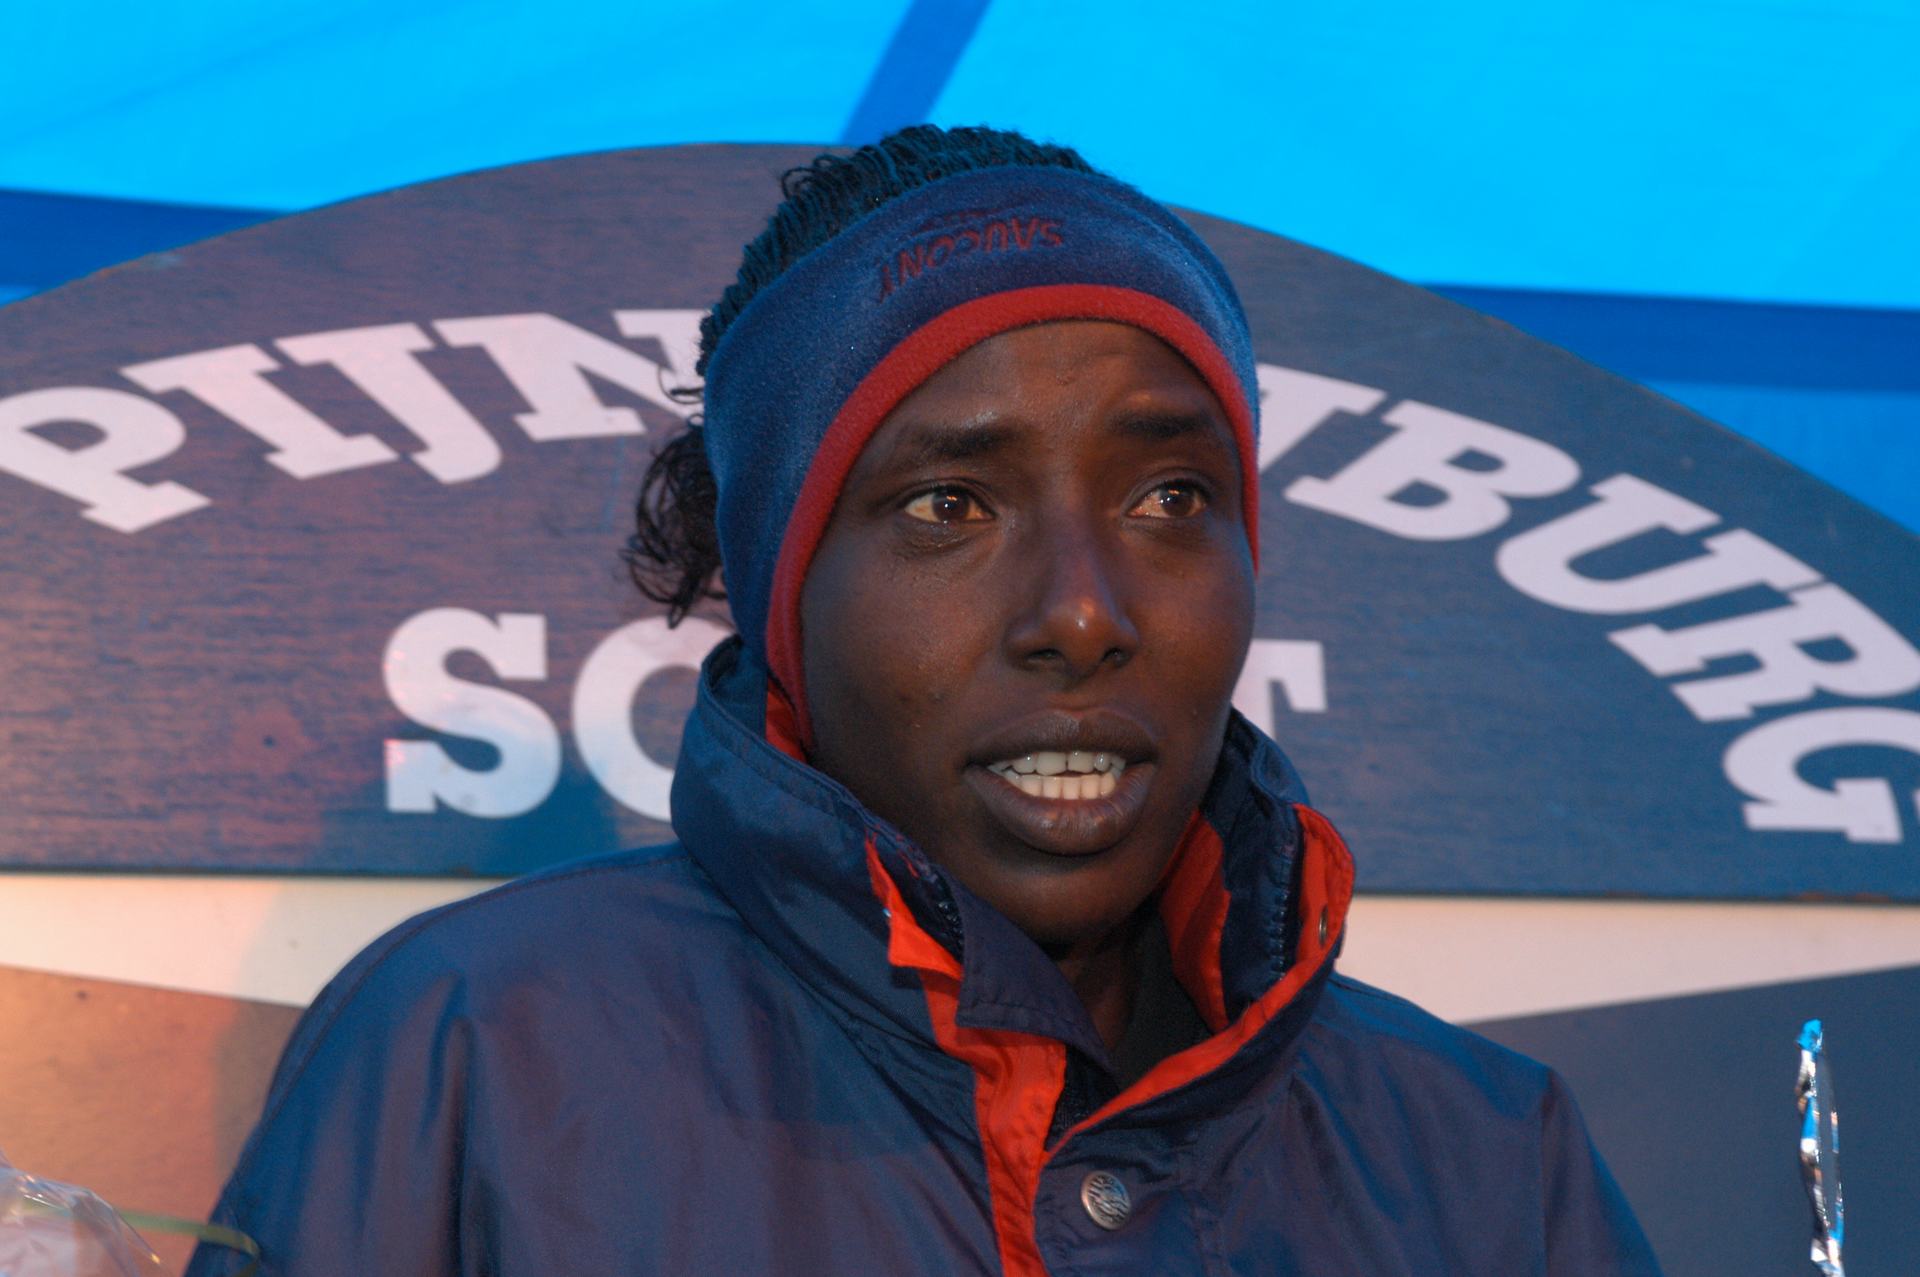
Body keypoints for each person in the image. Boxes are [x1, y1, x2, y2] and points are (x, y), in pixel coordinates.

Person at [188, 125, 1661, 1275]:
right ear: (781, 589)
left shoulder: (1484, 1152)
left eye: (1169, 495)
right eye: (949, 503)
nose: (1082, 613)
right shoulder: (477, 1050)